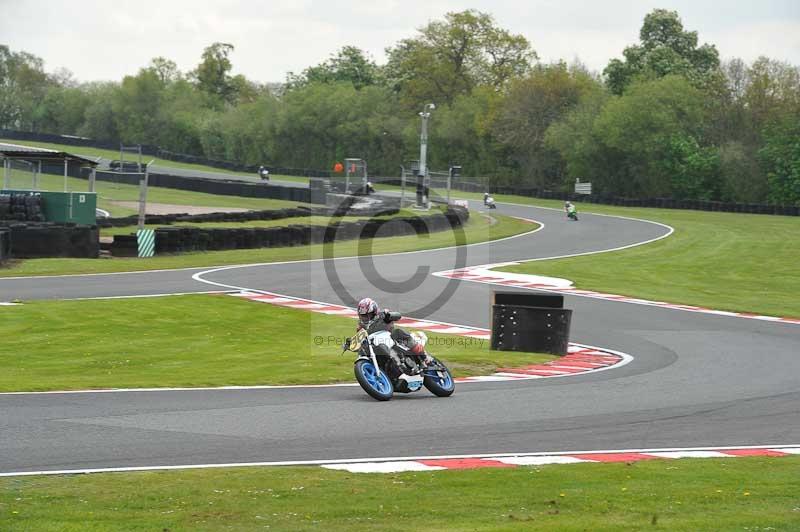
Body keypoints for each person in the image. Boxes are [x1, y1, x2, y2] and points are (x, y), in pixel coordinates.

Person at [355, 297, 430, 365]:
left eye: (368, 315)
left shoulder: (382, 315)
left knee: (398, 332)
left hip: (390, 339)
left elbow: (398, 315)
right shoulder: (360, 326)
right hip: (376, 345)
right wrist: (351, 344)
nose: (365, 318)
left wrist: (389, 315)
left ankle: (424, 356)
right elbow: (360, 339)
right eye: (363, 316)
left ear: (374, 312)